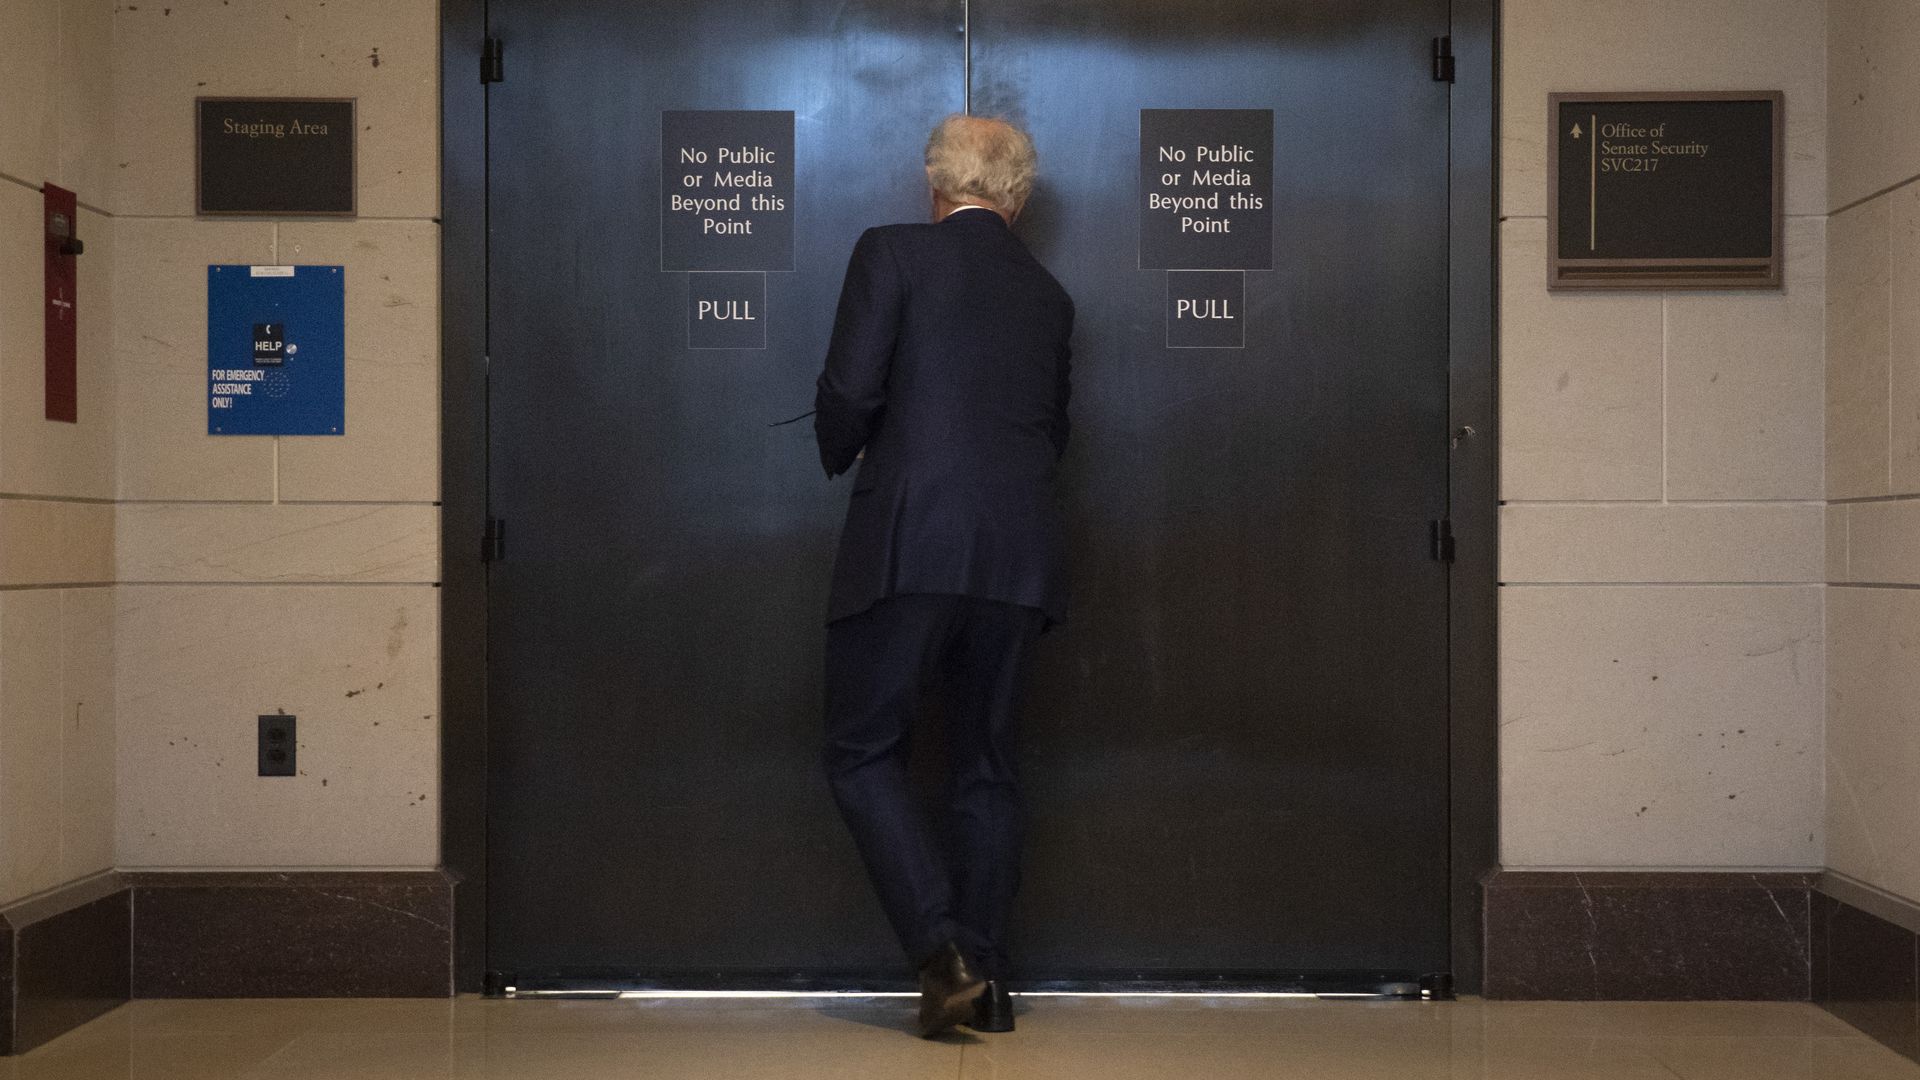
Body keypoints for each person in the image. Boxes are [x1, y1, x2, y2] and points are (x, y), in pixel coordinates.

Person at [813, 114, 1074, 1037]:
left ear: (934, 187)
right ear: (1019, 196)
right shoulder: (1048, 295)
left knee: (859, 751)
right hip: (1020, 555)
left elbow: (848, 391)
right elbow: (1054, 432)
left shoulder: (891, 253)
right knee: (989, 766)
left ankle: (942, 953)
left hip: (910, 543)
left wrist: (839, 450)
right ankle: (991, 984)